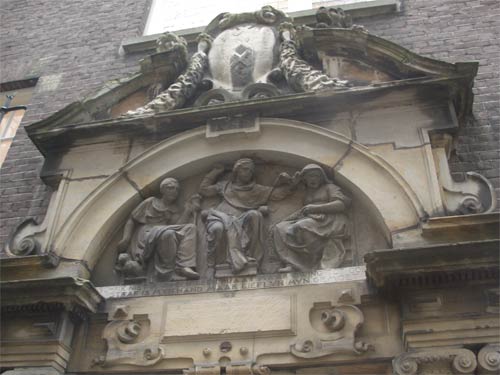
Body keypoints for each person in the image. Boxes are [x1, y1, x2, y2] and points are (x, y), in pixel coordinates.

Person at [199, 158, 295, 274]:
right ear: (237, 171)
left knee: (255, 215)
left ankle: (251, 258)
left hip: (242, 219)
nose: (248, 173)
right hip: (221, 217)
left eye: (250, 171)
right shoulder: (225, 186)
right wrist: (215, 172)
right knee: (217, 228)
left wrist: (292, 183)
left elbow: (276, 194)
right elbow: (204, 190)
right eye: (245, 169)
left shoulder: (256, 189)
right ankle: (213, 265)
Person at [116, 177, 200, 281]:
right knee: (169, 233)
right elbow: (131, 219)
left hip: (162, 231)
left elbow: (178, 229)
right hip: (147, 233)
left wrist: (188, 210)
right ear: (162, 190)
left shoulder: (174, 209)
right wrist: (126, 238)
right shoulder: (151, 202)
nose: (174, 191)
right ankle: (167, 272)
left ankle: (184, 266)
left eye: (177, 189)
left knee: (189, 228)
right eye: (170, 188)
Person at [271, 164, 350, 272]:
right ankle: (292, 263)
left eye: (316, 176)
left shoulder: (329, 187)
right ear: (305, 179)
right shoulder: (307, 193)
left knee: (301, 226)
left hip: (329, 220)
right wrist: (284, 221)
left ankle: (311, 260)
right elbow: (303, 210)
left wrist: (316, 208)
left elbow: (340, 204)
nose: (313, 179)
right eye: (310, 177)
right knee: (279, 228)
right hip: (312, 218)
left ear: (322, 178)